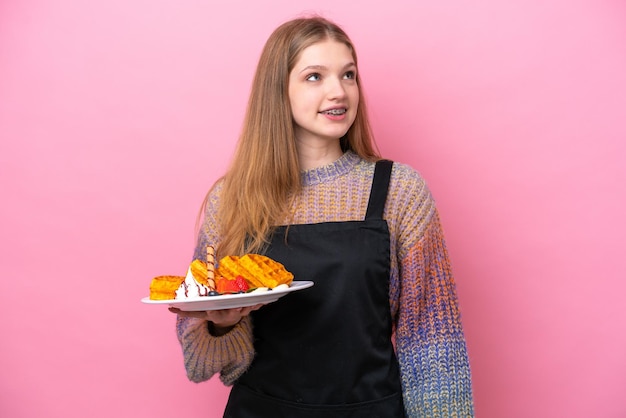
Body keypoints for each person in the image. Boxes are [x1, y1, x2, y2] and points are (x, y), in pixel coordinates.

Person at [169, 15, 474, 417]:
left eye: (348, 75)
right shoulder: (232, 200)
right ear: (278, 91)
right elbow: (202, 361)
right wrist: (221, 324)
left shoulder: (399, 191)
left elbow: (432, 343)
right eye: (315, 77)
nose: (339, 91)